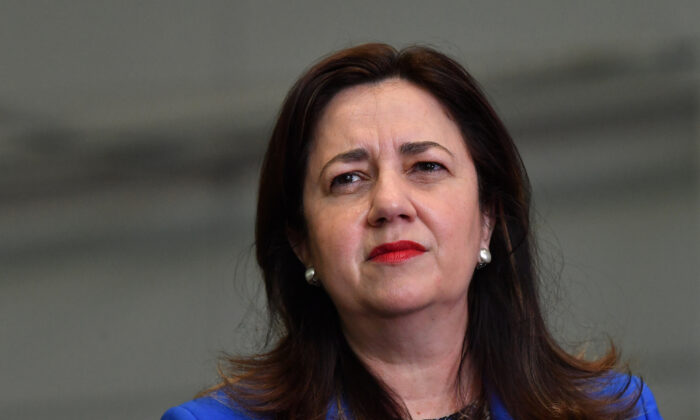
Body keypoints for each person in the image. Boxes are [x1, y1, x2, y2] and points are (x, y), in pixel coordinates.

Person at [162, 43, 661, 419]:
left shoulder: (616, 411)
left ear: (488, 216)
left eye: (426, 166)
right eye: (348, 179)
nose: (390, 204)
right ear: (301, 240)